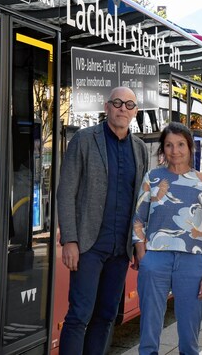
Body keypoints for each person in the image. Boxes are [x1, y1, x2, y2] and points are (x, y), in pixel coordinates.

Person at [57, 86, 149, 354]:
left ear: (135, 112)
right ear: (106, 107)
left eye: (129, 105)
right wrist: (71, 240)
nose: (123, 108)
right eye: (117, 102)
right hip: (89, 246)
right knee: (79, 315)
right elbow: (66, 191)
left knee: (107, 315)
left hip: (120, 249)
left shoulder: (140, 149)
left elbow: (142, 201)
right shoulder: (85, 140)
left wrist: (138, 245)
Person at [132, 122, 202, 355]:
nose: (175, 150)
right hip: (155, 260)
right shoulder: (152, 177)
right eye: (169, 145)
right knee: (149, 332)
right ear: (163, 149)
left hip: (192, 262)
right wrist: (144, 257)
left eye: (181, 144)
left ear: (190, 148)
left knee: (190, 336)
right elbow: (138, 220)